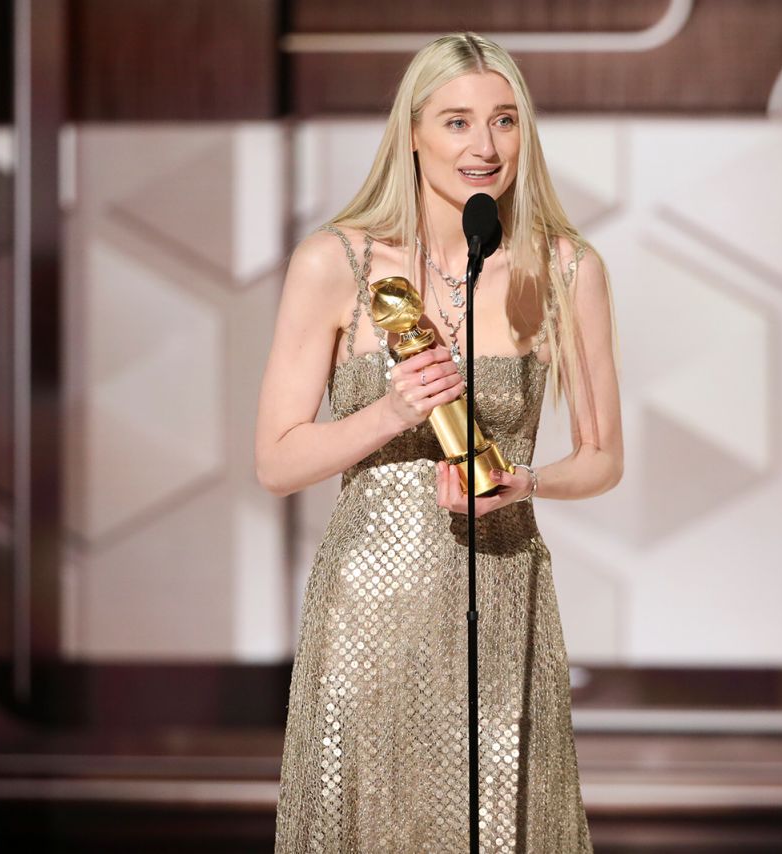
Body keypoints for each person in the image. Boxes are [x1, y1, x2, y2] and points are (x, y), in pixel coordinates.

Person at [255, 31, 622, 852]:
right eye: (456, 122)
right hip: (366, 610)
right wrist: (387, 414)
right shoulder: (335, 263)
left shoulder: (565, 270)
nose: (483, 146)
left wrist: (522, 482)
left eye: (504, 121)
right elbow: (277, 461)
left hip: (501, 592)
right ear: (412, 131)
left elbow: (603, 457)